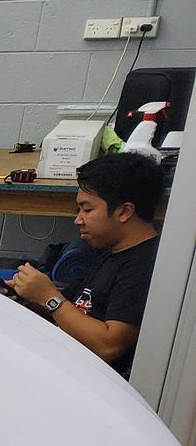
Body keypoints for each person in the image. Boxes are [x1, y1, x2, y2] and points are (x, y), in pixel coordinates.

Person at [9, 152, 164, 378]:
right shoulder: (108, 251)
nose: (78, 219)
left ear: (124, 211)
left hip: (95, 386)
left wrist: (49, 297)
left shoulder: (144, 266)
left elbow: (109, 346)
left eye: (87, 209)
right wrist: (26, 295)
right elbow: (69, 310)